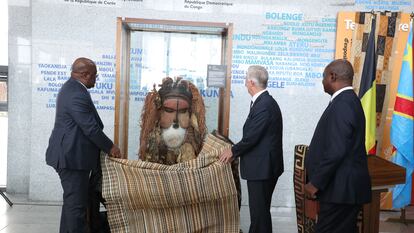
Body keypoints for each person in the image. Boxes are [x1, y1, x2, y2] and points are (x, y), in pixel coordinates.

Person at [45, 57, 122, 233]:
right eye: (95, 75)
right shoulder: (75, 93)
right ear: (85, 74)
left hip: (72, 156)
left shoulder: (73, 88)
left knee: (73, 203)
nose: (96, 79)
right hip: (71, 158)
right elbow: (90, 128)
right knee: (76, 207)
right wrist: (111, 147)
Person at [304, 59, 371, 233]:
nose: (322, 81)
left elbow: (336, 150)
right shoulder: (347, 101)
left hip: (341, 191)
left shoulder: (342, 103)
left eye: (323, 76)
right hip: (342, 190)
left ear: (333, 76)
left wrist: (316, 182)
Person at [220, 65, 283, 233]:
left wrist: (232, 151)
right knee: (259, 214)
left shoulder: (264, 104)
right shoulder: (263, 102)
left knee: (259, 215)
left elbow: (252, 137)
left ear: (251, 82)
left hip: (262, 169)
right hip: (262, 167)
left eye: (246, 80)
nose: (245, 83)